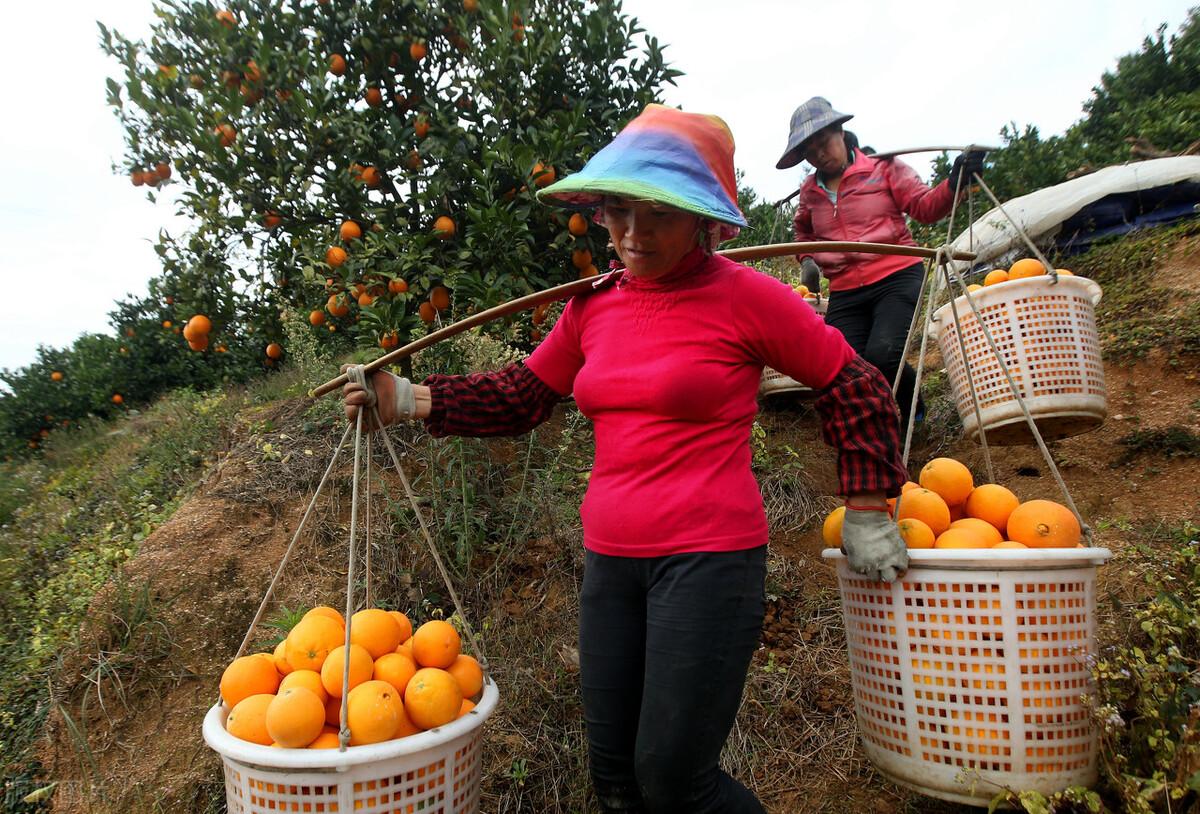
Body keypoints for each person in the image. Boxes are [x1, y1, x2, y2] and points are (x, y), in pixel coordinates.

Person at [344, 104, 909, 814]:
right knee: (614, 782)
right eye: (618, 211)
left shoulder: (749, 299)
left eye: (659, 215)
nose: (633, 235)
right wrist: (408, 399)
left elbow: (851, 381)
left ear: (703, 219)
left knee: (675, 782)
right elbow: (523, 394)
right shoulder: (592, 308)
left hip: (709, 563)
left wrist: (866, 505)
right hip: (611, 564)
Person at [777, 96, 986, 427]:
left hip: (896, 275)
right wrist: (807, 261)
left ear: (840, 132)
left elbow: (924, 206)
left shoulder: (883, 169)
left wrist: (954, 182)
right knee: (846, 365)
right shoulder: (810, 192)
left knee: (884, 354)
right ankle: (878, 426)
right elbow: (803, 231)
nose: (820, 154)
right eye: (810, 150)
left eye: (824, 142)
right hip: (846, 289)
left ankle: (911, 408)